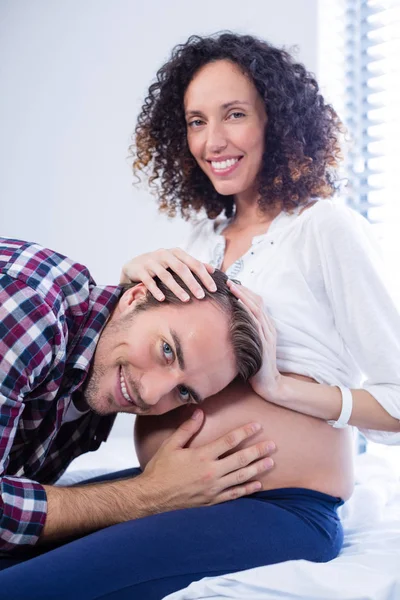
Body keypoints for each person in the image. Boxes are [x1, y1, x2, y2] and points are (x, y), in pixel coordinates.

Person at [0, 237, 275, 593]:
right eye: (166, 350)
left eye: (184, 392)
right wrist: (148, 494)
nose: (150, 394)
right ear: (134, 297)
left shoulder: (94, 373)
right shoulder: (28, 310)